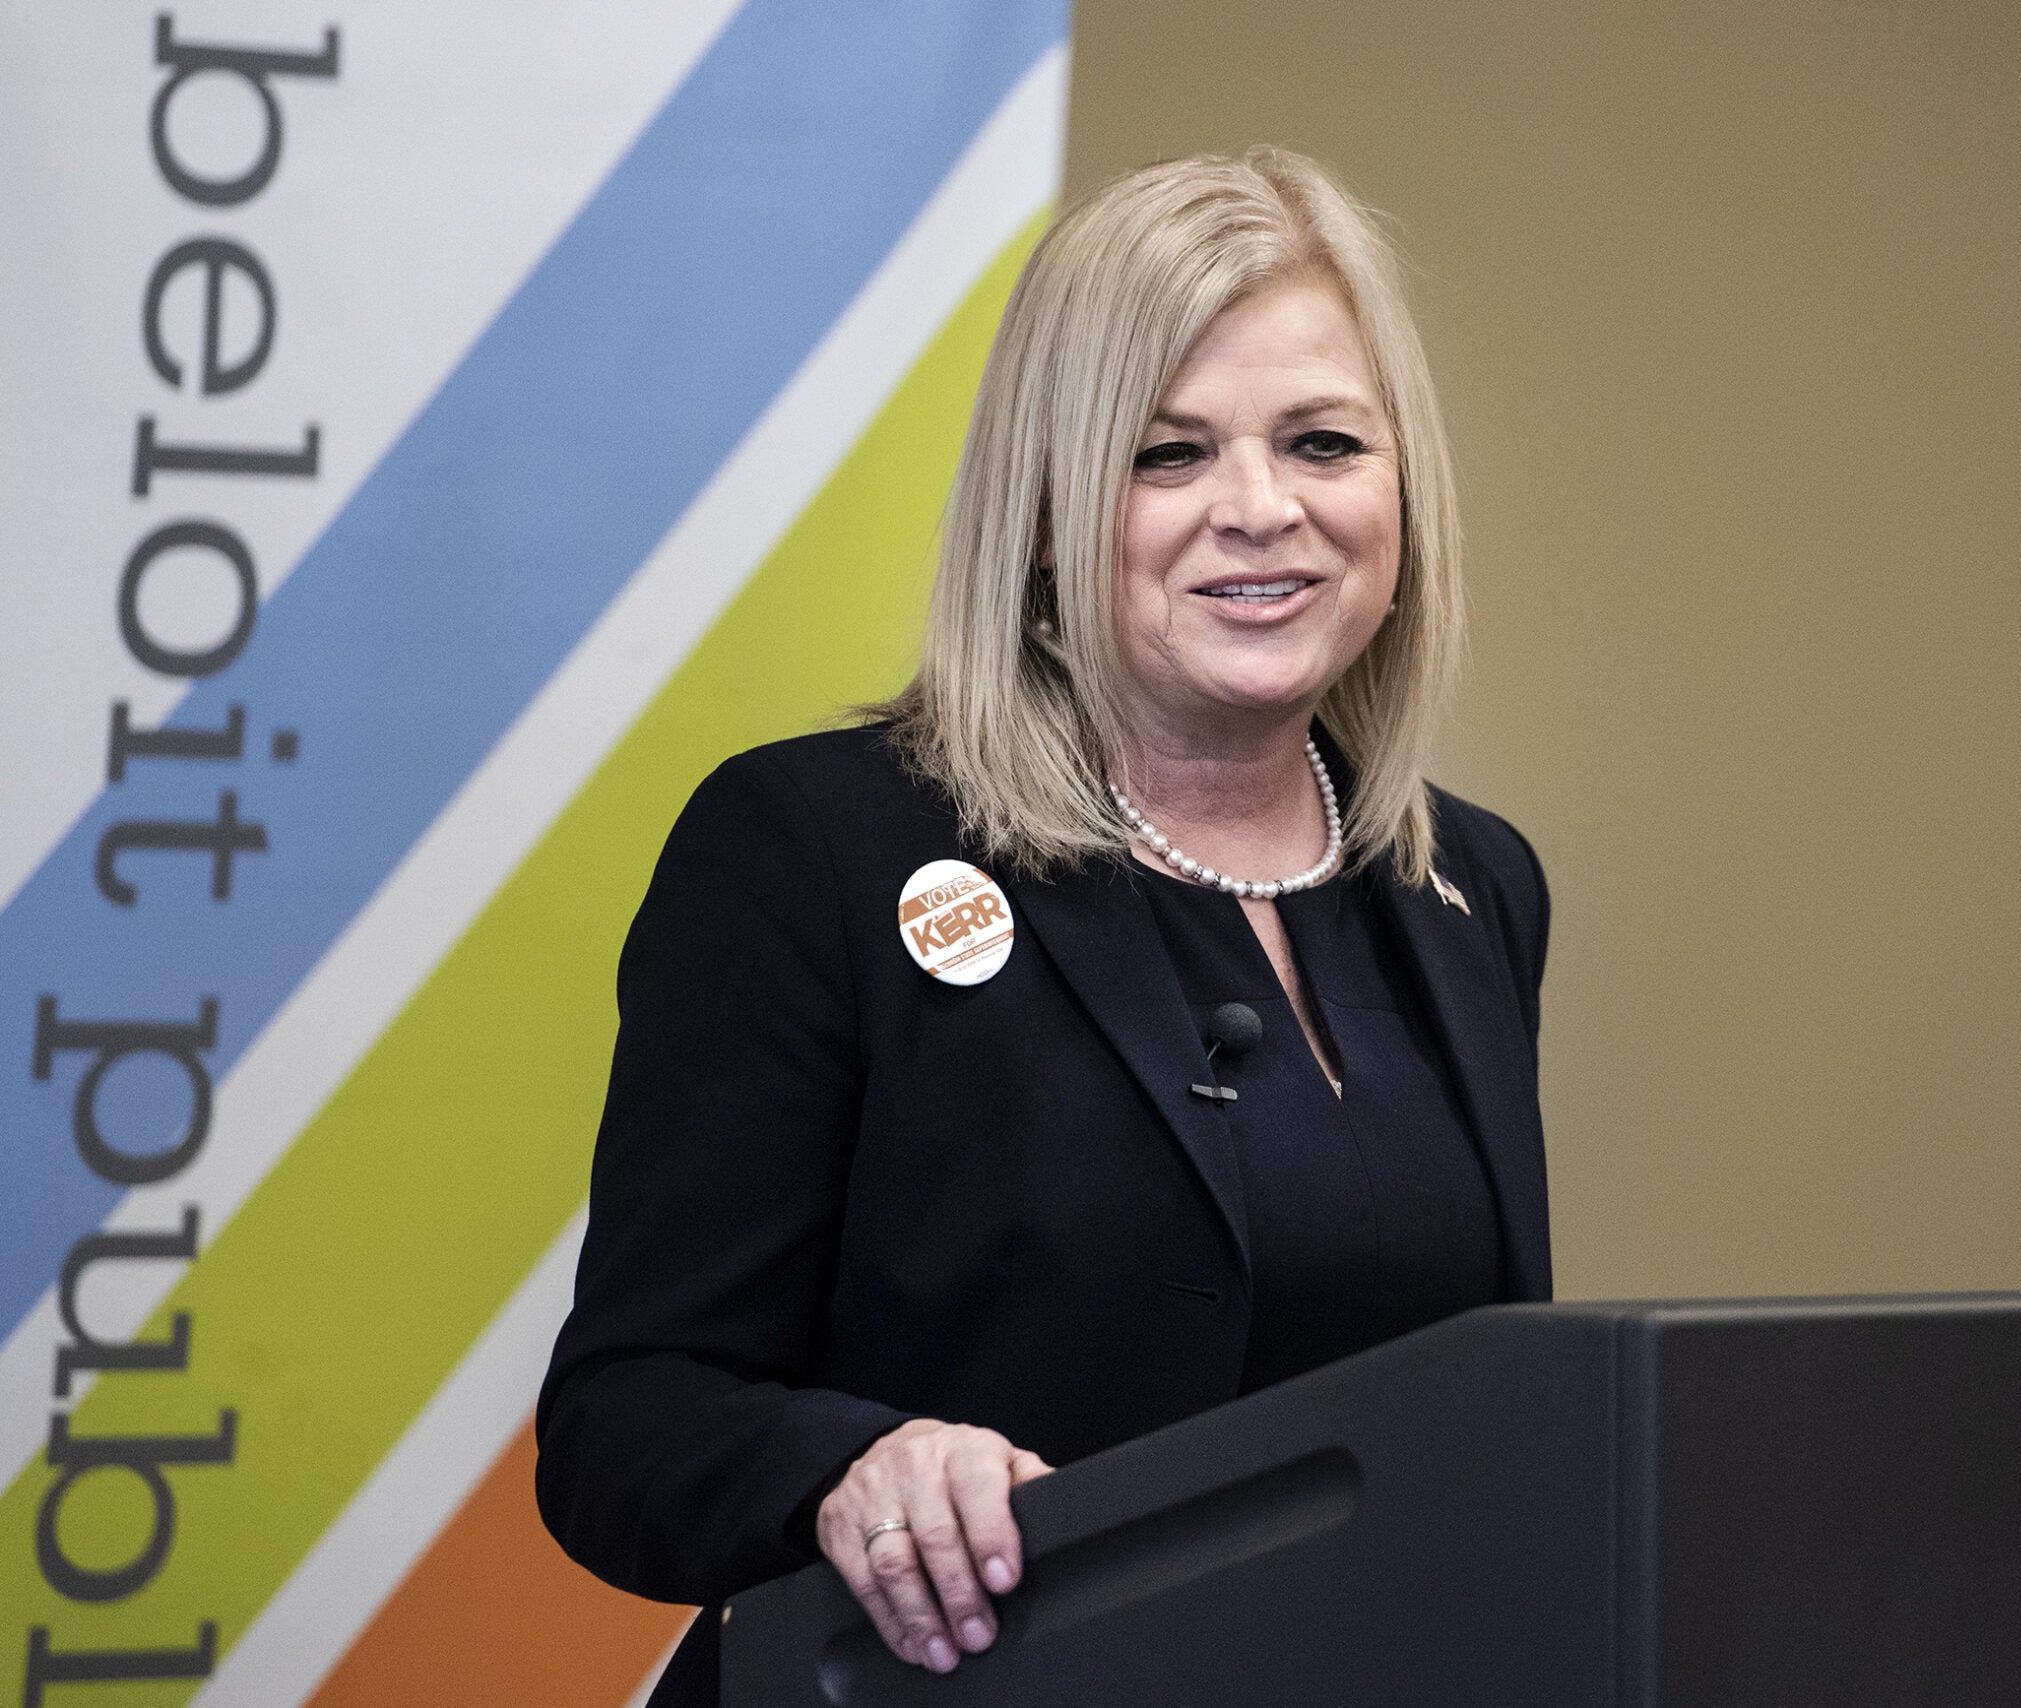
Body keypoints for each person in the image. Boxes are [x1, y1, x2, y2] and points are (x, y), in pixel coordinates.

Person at [535, 148, 1550, 1706]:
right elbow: (625, 1423)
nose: (1261, 509)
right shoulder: (813, 850)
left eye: (1324, 442)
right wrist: (854, 1468)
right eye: (1167, 454)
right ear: (1044, 509)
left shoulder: (1472, 887)